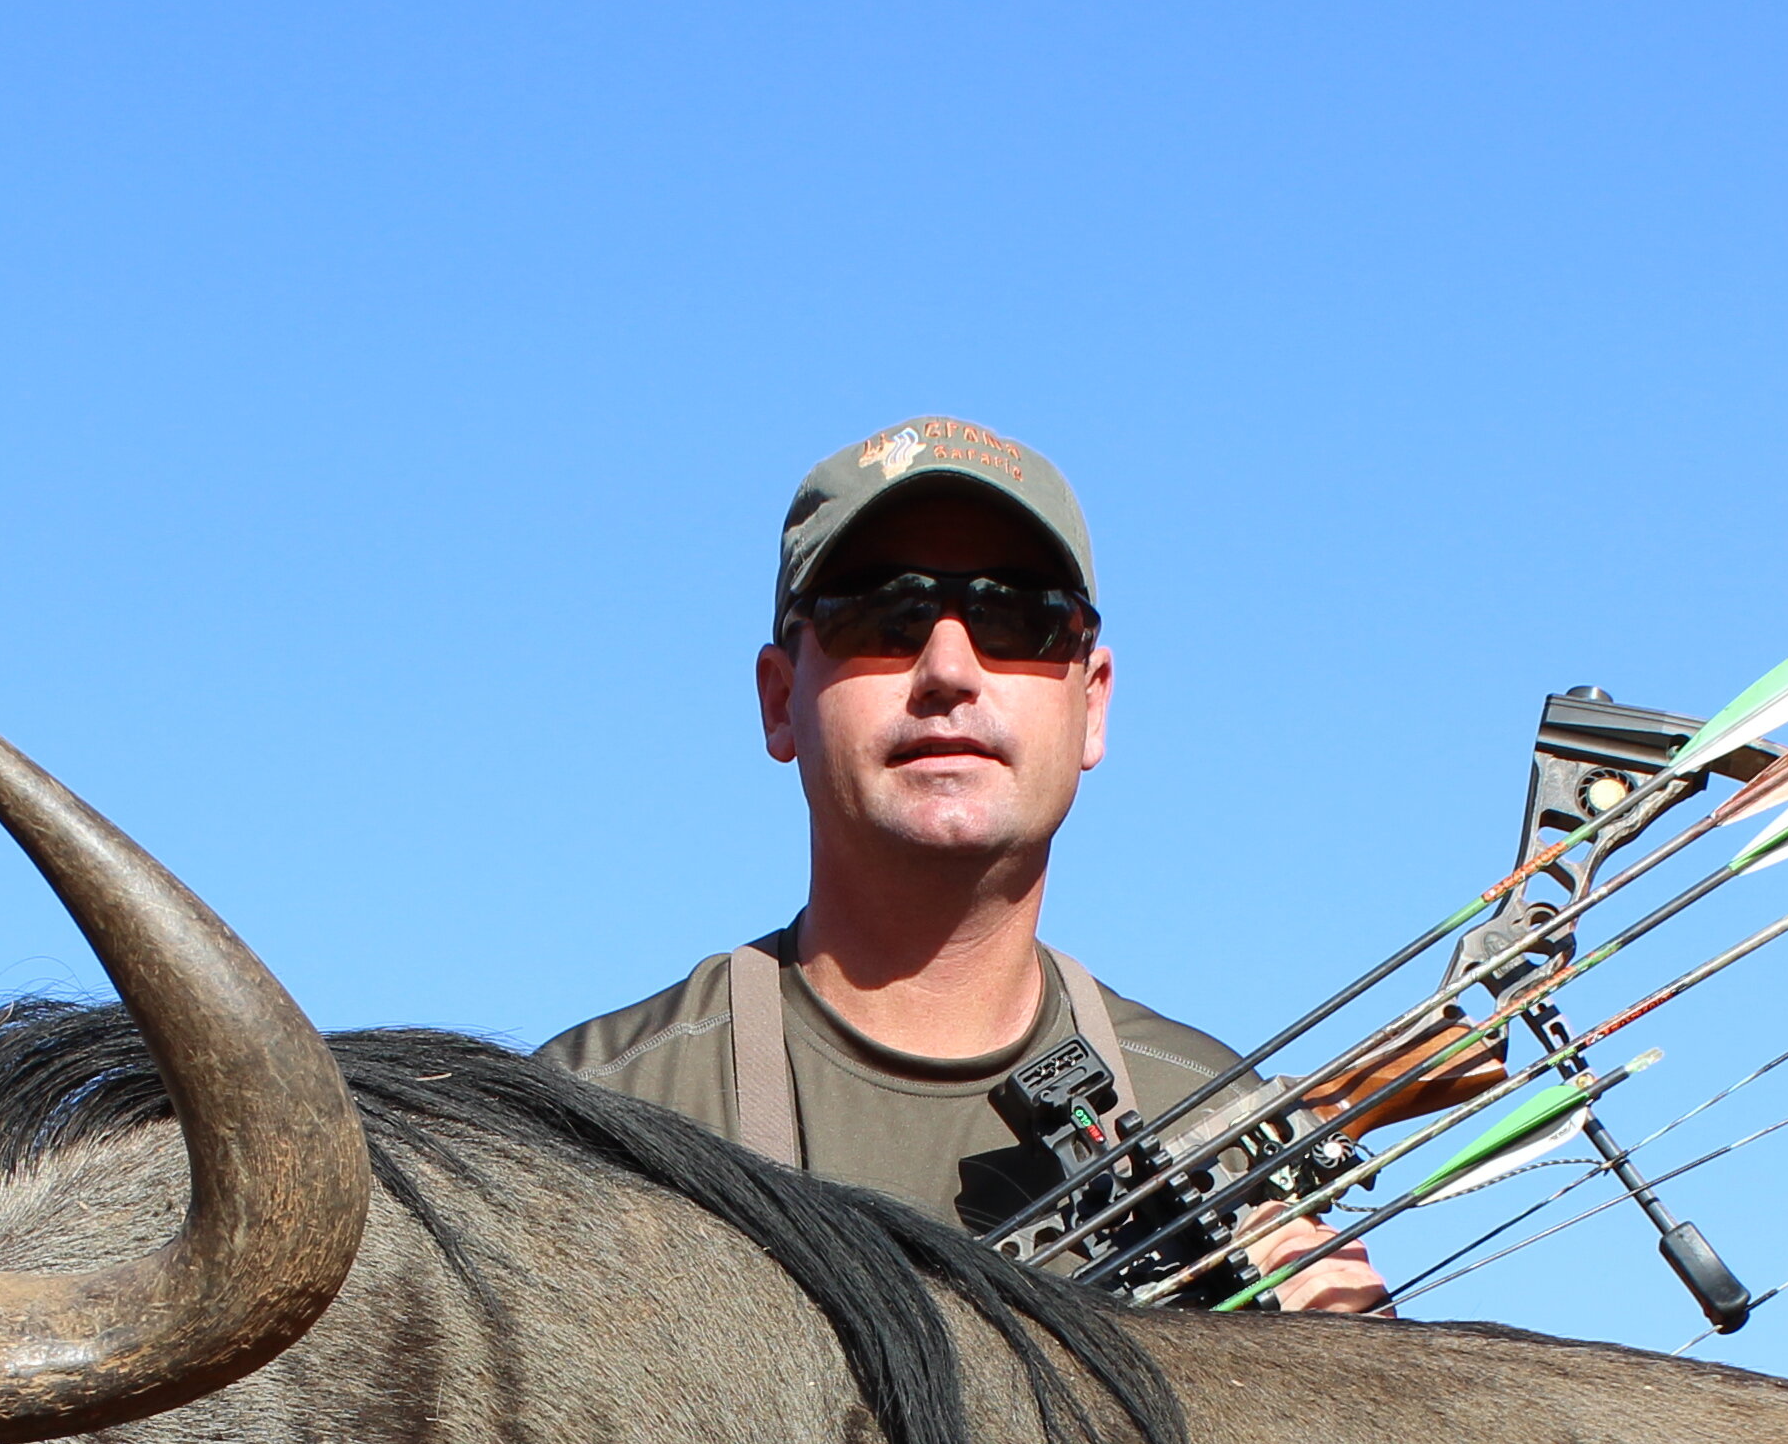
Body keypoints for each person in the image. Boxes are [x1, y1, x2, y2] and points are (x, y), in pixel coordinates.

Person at [538, 419, 1392, 1314]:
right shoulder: (586, 1121)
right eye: (882, 615)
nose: (948, 667)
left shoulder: (1221, 1126)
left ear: (1092, 704)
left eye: (1018, 617)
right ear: (780, 701)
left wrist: (1348, 1391)